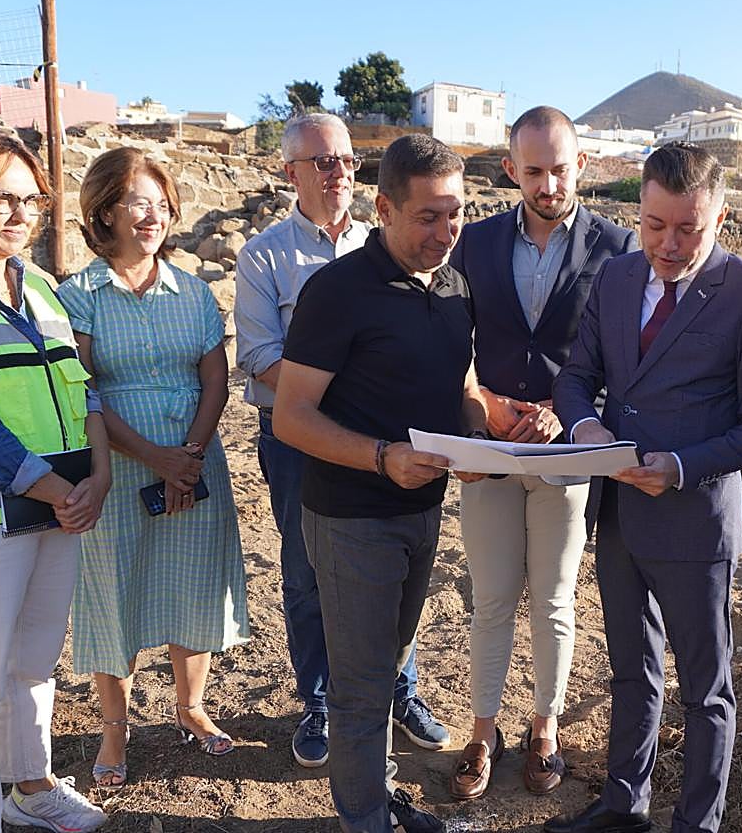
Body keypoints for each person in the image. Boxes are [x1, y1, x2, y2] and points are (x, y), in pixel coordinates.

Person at [547, 142, 742, 833]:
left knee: (704, 691)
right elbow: (574, 377)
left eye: (689, 228)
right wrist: (588, 428)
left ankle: (697, 823)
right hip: (619, 515)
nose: (669, 244)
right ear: (641, 210)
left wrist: (680, 466)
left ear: (721, 216)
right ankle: (625, 805)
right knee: (630, 670)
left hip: (695, 524)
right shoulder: (618, 277)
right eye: (655, 225)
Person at [273, 133, 487, 833]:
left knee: (391, 668)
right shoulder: (336, 291)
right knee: (361, 691)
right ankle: (365, 819)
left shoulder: (454, 285)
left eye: (455, 215)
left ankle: (378, 801)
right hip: (351, 516)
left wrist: (487, 432)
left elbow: (461, 383)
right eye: (428, 217)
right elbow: (290, 417)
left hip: (424, 511)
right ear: (383, 208)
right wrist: (380, 457)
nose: (445, 232)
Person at [236, 113, 449, 767]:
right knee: (305, 574)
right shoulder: (263, 256)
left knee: (397, 568)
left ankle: (398, 692)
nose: (338, 172)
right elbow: (261, 354)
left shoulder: (388, 243)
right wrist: (340, 396)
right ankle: (321, 701)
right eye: (322, 161)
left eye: (347, 161)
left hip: (386, 436)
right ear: (288, 172)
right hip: (299, 441)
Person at [445, 105, 637, 800]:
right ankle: (481, 730)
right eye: (534, 171)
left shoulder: (620, 249)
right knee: (491, 600)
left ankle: (545, 728)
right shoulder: (474, 243)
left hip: (566, 458)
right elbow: (451, 343)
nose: (549, 183)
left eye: (560, 168)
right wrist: (485, 410)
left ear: (581, 164)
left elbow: (626, 359)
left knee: (555, 601)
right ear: (510, 170)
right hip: (490, 451)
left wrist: (570, 412)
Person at [57, 146, 248, 789]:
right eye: (138, 201)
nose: (154, 215)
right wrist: (155, 457)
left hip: (195, 463)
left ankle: (191, 708)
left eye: (161, 203)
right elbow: (82, 390)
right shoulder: (76, 295)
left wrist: (187, 458)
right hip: (114, 466)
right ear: (104, 210)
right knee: (114, 590)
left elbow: (215, 380)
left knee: (192, 585)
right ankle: (116, 727)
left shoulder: (193, 292)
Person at [0, 125, 109, 832]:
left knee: (34, 664)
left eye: (31, 201)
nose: (19, 215)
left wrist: (96, 475)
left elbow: (85, 391)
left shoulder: (40, 285)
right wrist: (52, 487)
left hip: (59, 509)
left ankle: (31, 790)